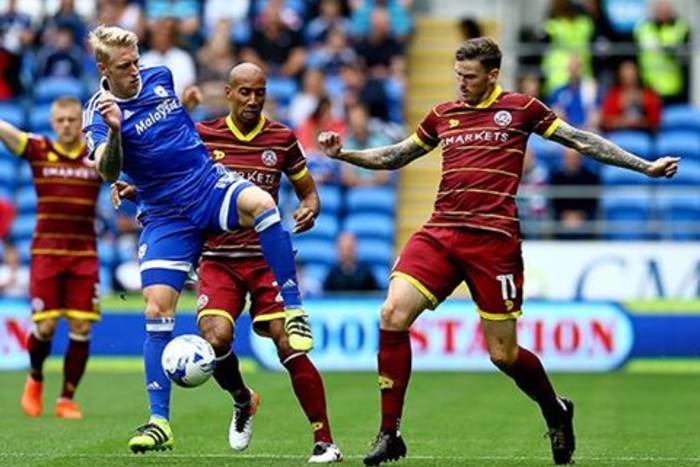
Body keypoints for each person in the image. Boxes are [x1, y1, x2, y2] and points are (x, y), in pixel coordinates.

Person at [318, 37, 679, 466]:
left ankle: (555, 410)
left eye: (469, 77)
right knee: (392, 313)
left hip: (493, 242)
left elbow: (581, 141)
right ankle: (389, 432)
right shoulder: (443, 115)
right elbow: (397, 155)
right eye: (458, 75)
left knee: (503, 355)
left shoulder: (521, 109)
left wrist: (644, 166)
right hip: (441, 232)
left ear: (492, 75)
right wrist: (346, 155)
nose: (461, 84)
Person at [82, 25, 311, 453]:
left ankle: (295, 308)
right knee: (156, 308)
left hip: (206, 186)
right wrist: (115, 132)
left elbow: (172, 133)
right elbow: (107, 170)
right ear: (103, 69)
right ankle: (160, 422)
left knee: (263, 204)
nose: (135, 71)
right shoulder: (98, 112)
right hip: (165, 215)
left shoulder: (160, 77)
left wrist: (186, 105)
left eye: (136, 62)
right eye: (125, 66)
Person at [112, 63, 343, 463]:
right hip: (219, 260)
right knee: (216, 338)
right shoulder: (203, 134)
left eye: (260, 93)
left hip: (265, 260)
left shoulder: (282, 138)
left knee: (288, 343)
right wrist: (136, 189)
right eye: (245, 92)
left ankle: (325, 442)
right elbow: (171, 180)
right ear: (229, 93)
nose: (253, 100)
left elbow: (308, 191)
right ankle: (242, 399)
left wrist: (310, 207)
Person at [0, 96, 101, 420]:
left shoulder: (95, 156)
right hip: (46, 253)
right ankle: (35, 377)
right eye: (61, 120)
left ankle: (66, 399)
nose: (67, 125)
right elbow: (9, 133)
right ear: (53, 123)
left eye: (72, 119)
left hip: (84, 254)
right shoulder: (39, 149)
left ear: (81, 123)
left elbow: (122, 163)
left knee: (81, 326)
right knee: (44, 328)